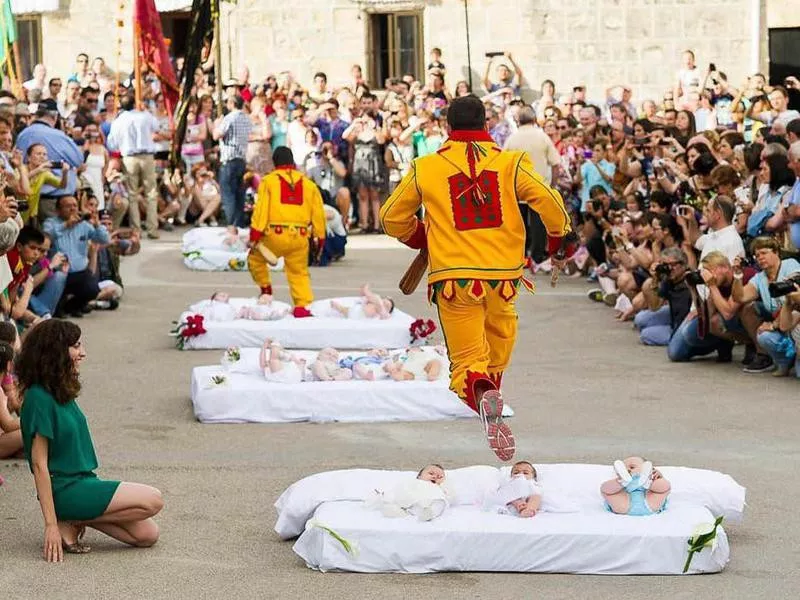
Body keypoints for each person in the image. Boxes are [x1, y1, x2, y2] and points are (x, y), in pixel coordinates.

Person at [379, 95, 574, 461]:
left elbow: (390, 217)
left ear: (447, 128)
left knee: (468, 359)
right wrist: (556, 238)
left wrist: (422, 237)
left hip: (454, 280)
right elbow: (549, 202)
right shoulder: (510, 163)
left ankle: (482, 392)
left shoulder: (427, 167)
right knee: (499, 342)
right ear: (487, 124)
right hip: (503, 279)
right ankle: (491, 389)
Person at [18, 319, 163, 562]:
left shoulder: (59, 389)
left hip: (83, 480)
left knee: (148, 534)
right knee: (153, 500)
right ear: (56, 351)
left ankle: (75, 519)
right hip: (64, 488)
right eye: (76, 346)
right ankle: (65, 519)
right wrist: (50, 525)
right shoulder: (38, 397)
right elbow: (40, 464)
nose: (82, 353)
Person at [247, 146, 325, 318]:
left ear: (275, 163)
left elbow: (261, 212)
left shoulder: (268, 181)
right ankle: (303, 306)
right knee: (299, 272)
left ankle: (266, 290)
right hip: (300, 237)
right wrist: (319, 240)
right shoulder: (309, 184)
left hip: (274, 236)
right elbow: (319, 215)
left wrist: (254, 236)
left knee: (254, 259)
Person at [733, 236, 800, 374]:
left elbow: (794, 298)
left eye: (764, 253)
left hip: (794, 320)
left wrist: (773, 324)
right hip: (784, 323)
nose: (760, 258)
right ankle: (783, 362)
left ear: (776, 252)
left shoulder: (790, 265)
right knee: (763, 336)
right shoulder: (759, 278)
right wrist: (738, 275)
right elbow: (740, 297)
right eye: (757, 255)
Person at [503, 106, 561, 266]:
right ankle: (536, 256)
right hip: (539, 186)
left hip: (518, 187)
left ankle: (519, 255)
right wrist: (553, 185)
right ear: (534, 120)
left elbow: (503, 164)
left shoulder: (512, 139)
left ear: (518, 120)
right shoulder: (542, 137)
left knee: (518, 224)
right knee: (538, 225)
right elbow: (556, 163)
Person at [15, 99, 84, 222]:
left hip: (33, 197)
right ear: (55, 116)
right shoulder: (59, 135)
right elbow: (79, 160)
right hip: (53, 199)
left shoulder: (22, 135)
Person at [43, 196, 109, 317]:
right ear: (58, 209)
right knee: (57, 281)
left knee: (93, 289)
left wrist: (97, 225)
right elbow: (47, 237)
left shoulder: (84, 224)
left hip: (80, 272)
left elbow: (104, 239)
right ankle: (57, 309)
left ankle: (72, 307)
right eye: (68, 206)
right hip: (58, 272)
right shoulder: (50, 222)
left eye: (74, 205)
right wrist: (66, 225)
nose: (73, 209)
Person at [106, 94, 160, 239]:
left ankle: (136, 230)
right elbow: (157, 126)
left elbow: (112, 143)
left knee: (132, 194)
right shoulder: (145, 116)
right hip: (146, 155)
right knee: (151, 193)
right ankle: (152, 228)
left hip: (129, 157)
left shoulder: (119, 120)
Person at [213, 94, 252, 227]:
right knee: (239, 194)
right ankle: (239, 223)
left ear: (232, 103)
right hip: (241, 159)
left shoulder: (229, 118)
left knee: (228, 194)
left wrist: (217, 125)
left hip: (229, 159)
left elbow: (216, 135)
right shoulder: (247, 119)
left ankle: (231, 223)